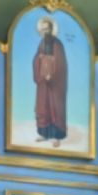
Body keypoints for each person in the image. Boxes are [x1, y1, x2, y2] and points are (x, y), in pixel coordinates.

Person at [32, 15, 69, 146]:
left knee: (55, 107)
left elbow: (61, 63)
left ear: (51, 30)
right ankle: (44, 134)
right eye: (43, 30)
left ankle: (57, 137)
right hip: (43, 82)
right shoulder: (41, 43)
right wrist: (40, 60)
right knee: (43, 106)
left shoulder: (57, 44)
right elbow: (36, 59)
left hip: (55, 84)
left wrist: (52, 75)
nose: (45, 32)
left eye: (47, 29)